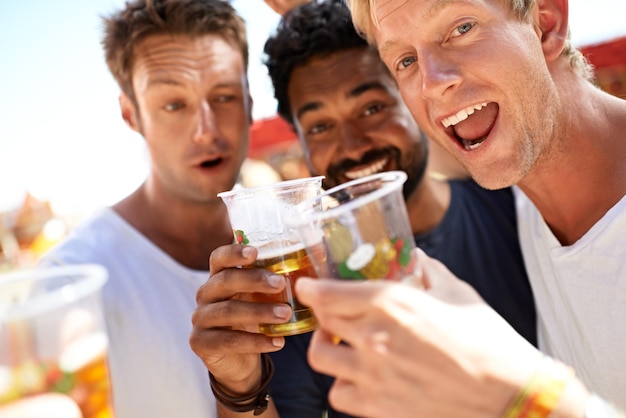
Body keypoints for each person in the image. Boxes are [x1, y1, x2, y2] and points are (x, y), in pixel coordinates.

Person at [189, 0, 536, 416]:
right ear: (300, 142)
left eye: (372, 108)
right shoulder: (299, 293)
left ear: (413, 95)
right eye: (320, 126)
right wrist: (238, 385)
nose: (352, 145)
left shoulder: (519, 210)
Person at [291, 0, 626, 416]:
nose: (432, 83)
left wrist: (519, 397)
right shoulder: (519, 187)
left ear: (545, 22)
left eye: (462, 28)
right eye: (406, 60)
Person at [39, 1, 251, 416]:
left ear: (249, 99)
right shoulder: (71, 281)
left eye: (224, 96)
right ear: (131, 114)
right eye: (174, 105)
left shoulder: (295, 236)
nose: (206, 129)